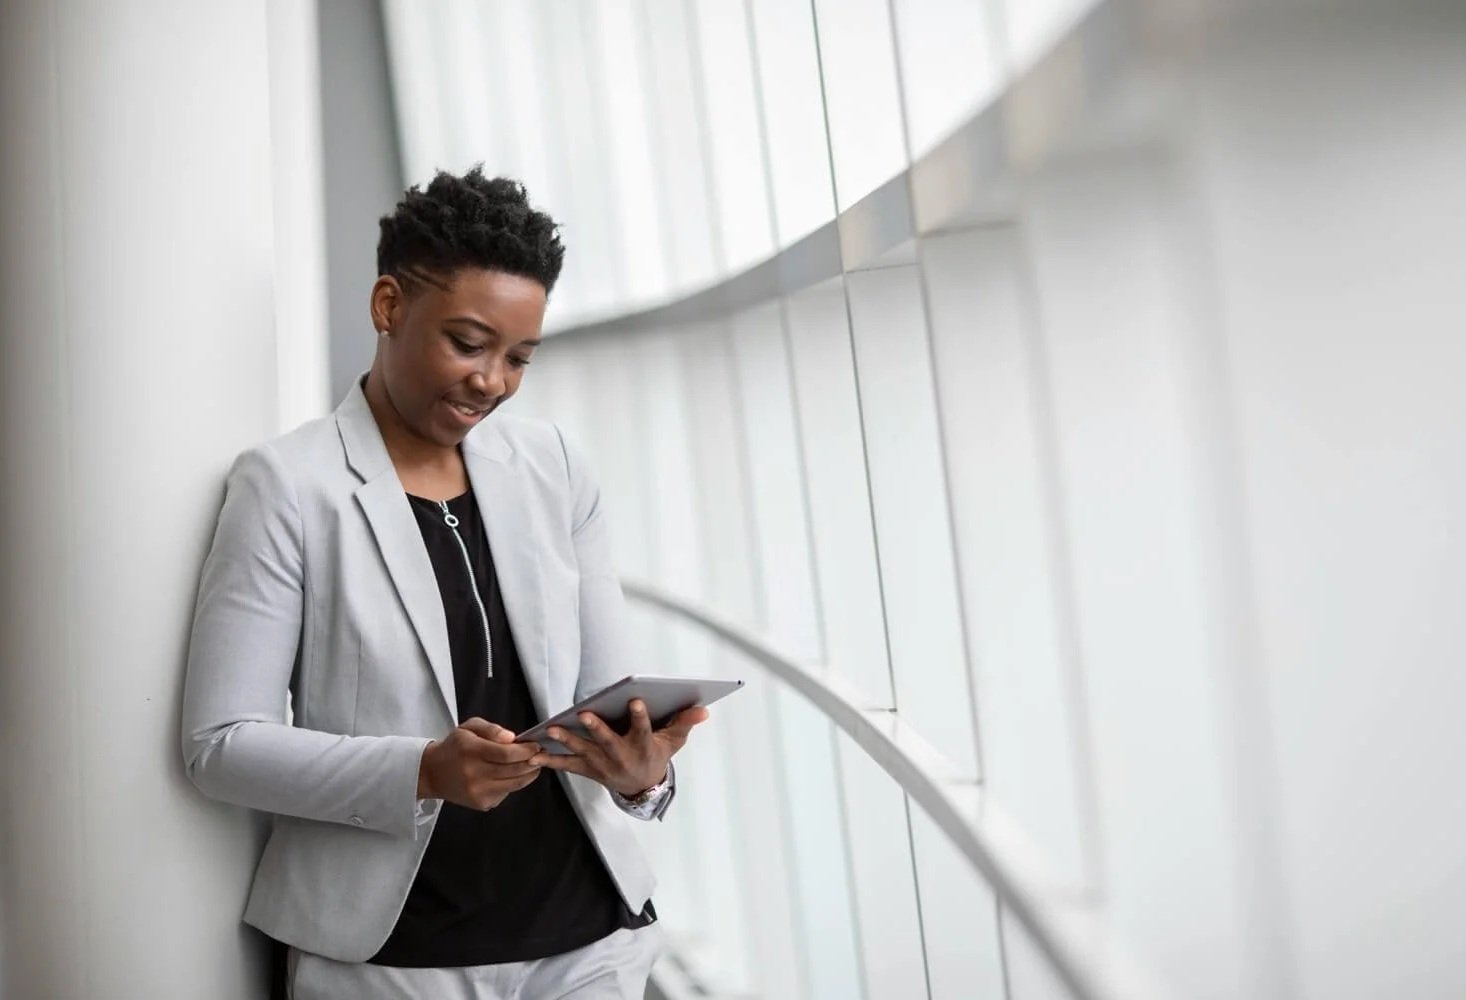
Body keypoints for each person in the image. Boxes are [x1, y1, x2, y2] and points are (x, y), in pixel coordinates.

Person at [181, 167, 708, 999]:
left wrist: (642, 772)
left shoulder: (556, 468)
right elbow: (221, 745)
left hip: (588, 940)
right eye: (468, 343)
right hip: (393, 958)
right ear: (389, 306)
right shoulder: (287, 485)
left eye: (519, 357)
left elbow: (602, 697)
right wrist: (422, 769)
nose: (491, 380)